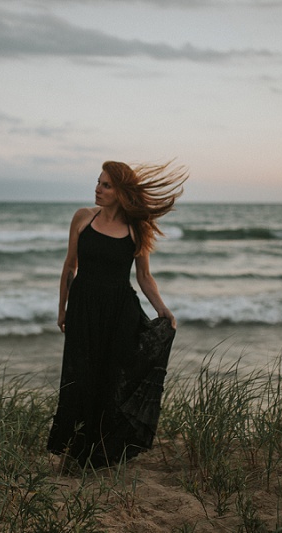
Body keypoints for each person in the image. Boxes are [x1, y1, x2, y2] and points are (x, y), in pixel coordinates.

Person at [47, 160, 188, 469]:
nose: (98, 189)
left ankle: (100, 455)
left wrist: (162, 308)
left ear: (121, 191)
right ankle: (73, 451)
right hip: (83, 310)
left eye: (106, 185)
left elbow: (144, 277)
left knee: (111, 379)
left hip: (120, 312)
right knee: (78, 377)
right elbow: (70, 265)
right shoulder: (83, 218)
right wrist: (63, 307)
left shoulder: (137, 229)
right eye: (98, 182)